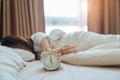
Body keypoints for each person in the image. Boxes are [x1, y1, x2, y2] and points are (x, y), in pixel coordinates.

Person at [0, 29, 77, 60]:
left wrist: (59, 51)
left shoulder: (36, 36)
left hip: (68, 39)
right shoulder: (35, 53)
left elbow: (47, 50)